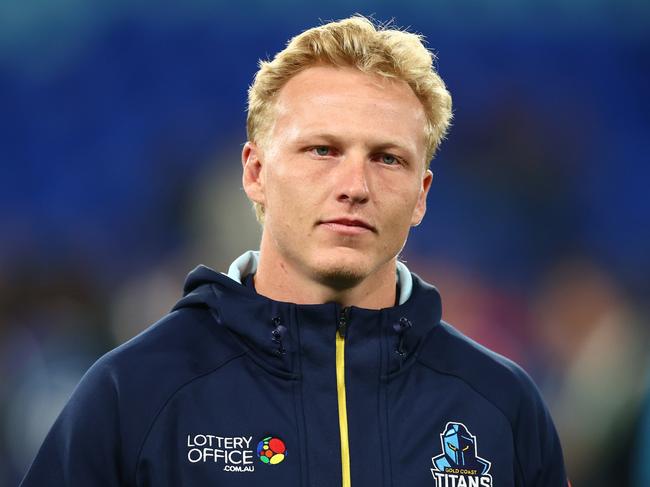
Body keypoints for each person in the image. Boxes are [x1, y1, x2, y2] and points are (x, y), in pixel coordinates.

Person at [21, 16, 568, 487]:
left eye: (387, 159)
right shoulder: (135, 393)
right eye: (322, 150)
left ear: (421, 195)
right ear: (255, 172)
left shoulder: (502, 406)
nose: (354, 185)